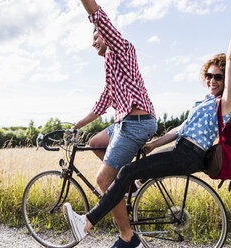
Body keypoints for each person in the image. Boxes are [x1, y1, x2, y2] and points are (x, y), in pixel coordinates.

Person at [64, 0, 231, 247]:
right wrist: (153, 144)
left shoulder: (226, 102)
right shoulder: (205, 102)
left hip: (190, 154)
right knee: (135, 173)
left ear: (228, 80)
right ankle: (128, 202)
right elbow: (179, 129)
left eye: (219, 76)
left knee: (127, 172)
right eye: (209, 75)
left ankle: (87, 223)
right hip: (180, 149)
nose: (213, 80)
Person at [67, 0, 157, 247]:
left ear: (107, 35)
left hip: (136, 122)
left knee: (105, 181)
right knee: (95, 143)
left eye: (96, 37)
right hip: (123, 124)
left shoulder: (122, 49)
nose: (93, 42)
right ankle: (128, 184)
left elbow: (98, 16)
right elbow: (101, 104)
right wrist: (76, 126)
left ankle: (128, 239)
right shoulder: (110, 67)